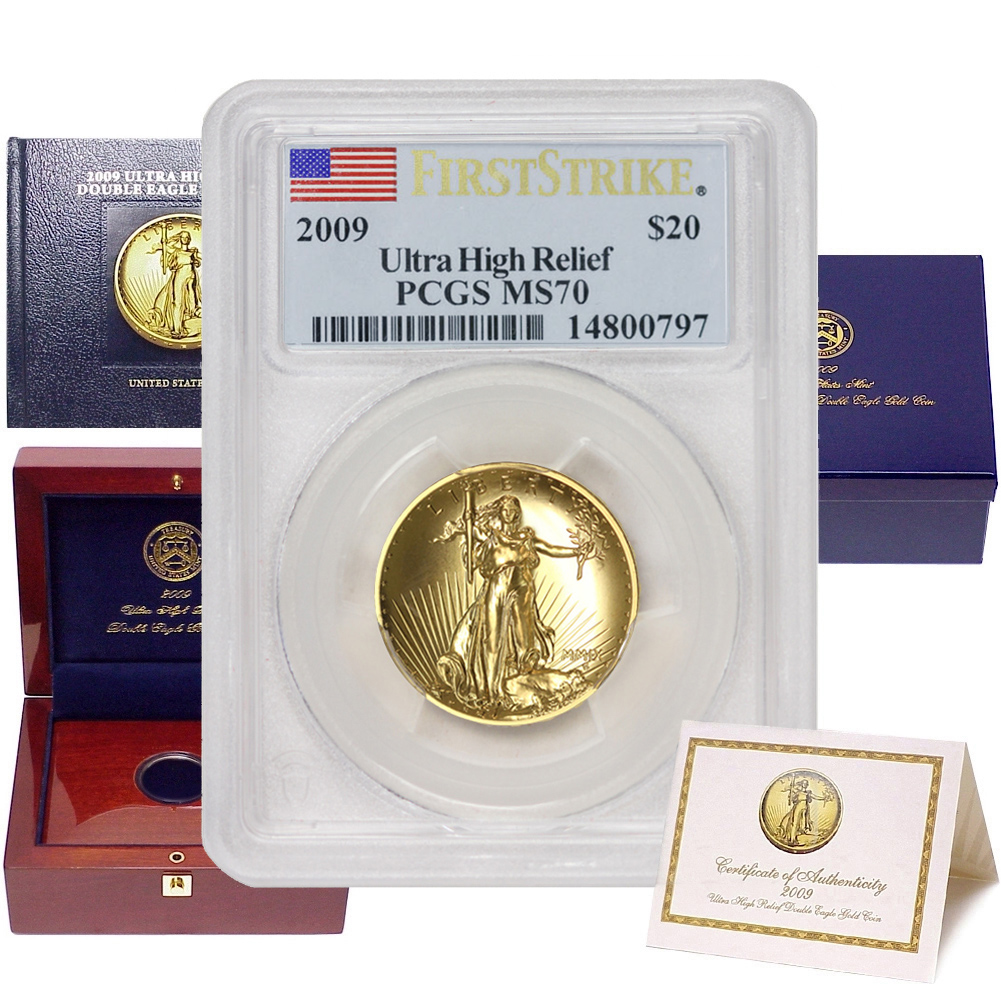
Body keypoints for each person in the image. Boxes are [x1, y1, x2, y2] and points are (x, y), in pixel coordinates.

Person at [435, 494, 579, 708]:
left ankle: (523, 677)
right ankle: (490, 690)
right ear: (500, 513)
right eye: (506, 510)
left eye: (513, 510)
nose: (510, 514)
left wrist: (577, 551)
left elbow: (550, 548)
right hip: (496, 590)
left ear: (518, 514)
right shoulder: (491, 537)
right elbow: (470, 530)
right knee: (492, 639)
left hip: (522, 590)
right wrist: (461, 525)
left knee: (524, 637)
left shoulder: (526, 538)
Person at [150, 230, 201, 338]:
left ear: (189, 239)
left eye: (187, 237)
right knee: (177, 302)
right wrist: (163, 243)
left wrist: (196, 261)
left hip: (191, 277)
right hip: (179, 277)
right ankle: (177, 330)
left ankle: (191, 318)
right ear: (180, 239)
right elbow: (166, 247)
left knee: (192, 301)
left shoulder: (193, 252)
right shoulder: (176, 251)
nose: (185, 239)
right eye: (183, 237)